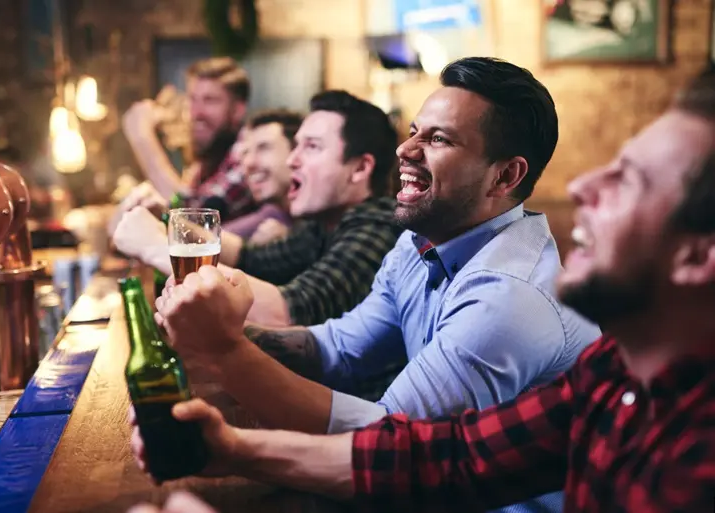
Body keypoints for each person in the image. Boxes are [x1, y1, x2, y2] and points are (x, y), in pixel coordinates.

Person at [130, 68, 715, 513]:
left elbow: (393, 435)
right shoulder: (615, 370)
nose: (585, 184)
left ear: (505, 176)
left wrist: (226, 353)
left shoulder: (511, 298)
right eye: (413, 132)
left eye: (628, 179)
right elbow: (445, 455)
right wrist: (226, 447)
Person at [114, 90, 403, 327]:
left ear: (360, 168)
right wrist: (171, 223)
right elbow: (248, 257)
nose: (292, 161)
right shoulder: (324, 225)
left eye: (312, 147)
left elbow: (286, 313)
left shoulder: (378, 228)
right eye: (296, 146)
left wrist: (155, 245)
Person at [121, 57, 256, 221]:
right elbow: (180, 203)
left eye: (210, 100)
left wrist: (143, 138)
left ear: (238, 110)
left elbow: (195, 221)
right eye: (192, 99)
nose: (196, 112)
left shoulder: (248, 154)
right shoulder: (208, 159)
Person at [222, 109, 303, 240]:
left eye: (264, 148)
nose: (249, 162)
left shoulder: (328, 218)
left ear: (296, 152)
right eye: (245, 153)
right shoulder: (272, 214)